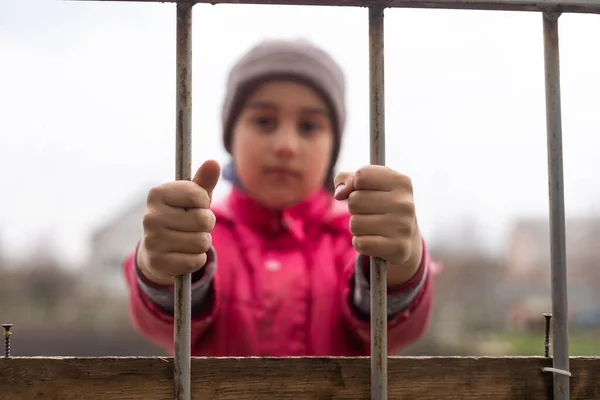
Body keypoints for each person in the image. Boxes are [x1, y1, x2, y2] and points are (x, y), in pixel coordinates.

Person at [122, 38, 437, 357]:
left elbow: (395, 329)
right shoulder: (196, 232)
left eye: (309, 126)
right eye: (264, 121)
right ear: (231, 136)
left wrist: (402, 264)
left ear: (333, 148)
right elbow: (162, 324)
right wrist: (158, 268)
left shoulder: (355, 236)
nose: (286, 145)